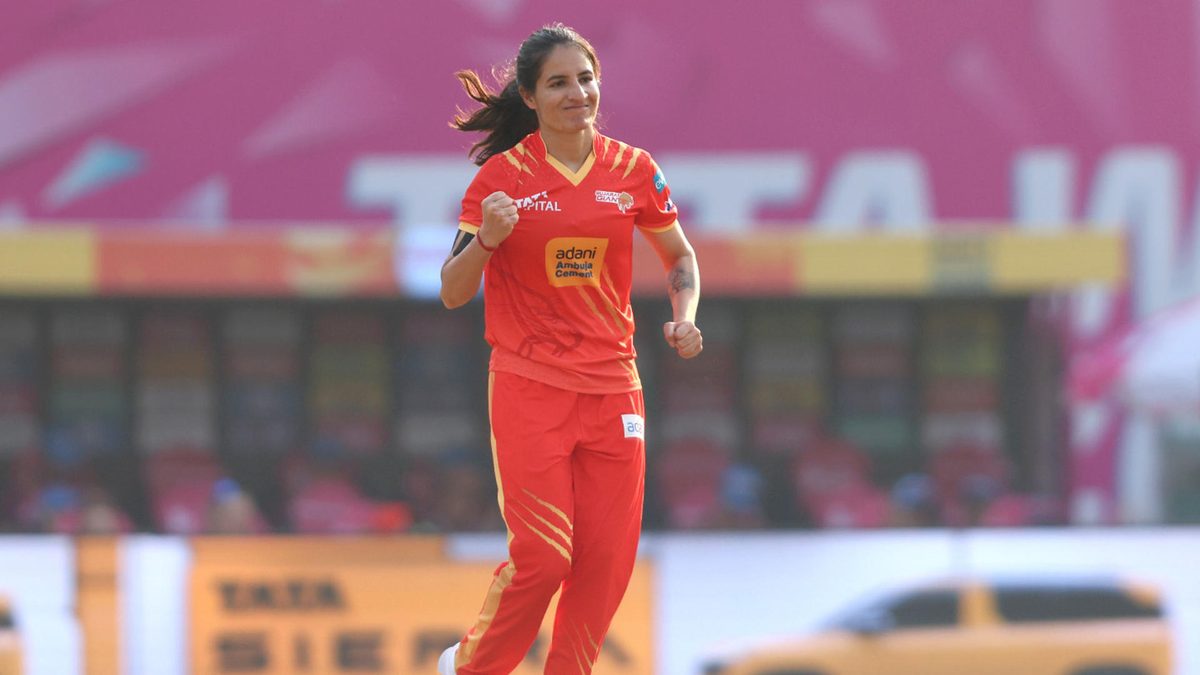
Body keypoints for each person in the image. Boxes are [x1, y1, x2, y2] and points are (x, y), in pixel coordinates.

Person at [437, 23, 702, 675]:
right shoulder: (501, 179)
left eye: (586, 79)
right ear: (530, 97)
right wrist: (487, 239)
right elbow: (452, 291)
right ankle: (468, 667)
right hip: (531, 386)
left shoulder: (633, 169)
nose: (577, 93)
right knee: (546, 557)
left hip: (615, 391)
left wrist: (685, 317)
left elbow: (679, 256)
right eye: (558, 83)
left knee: (607, 561)